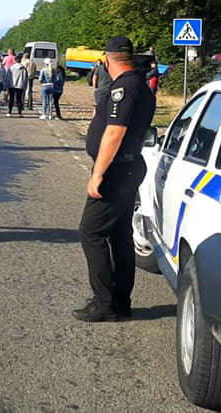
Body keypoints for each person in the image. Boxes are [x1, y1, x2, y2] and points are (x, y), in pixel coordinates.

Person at [74, 37, 156, 322]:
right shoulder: (138, 84)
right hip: (127, 167)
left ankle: (103, 302)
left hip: (117, 170)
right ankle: (120, 301)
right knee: (119, 235)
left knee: (91, 232)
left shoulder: (125, 87)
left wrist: (98, 174)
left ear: (108, 60)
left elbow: (114, 133)